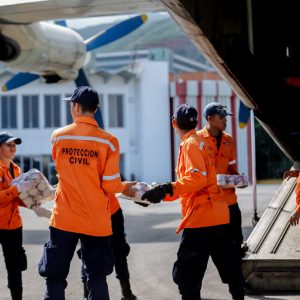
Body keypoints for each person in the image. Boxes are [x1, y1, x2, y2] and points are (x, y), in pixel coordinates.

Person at [38, 86, 135, 300]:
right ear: (96, 109)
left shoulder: (58, 137)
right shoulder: (109, 141)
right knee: (97, 276)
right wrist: (126, 187)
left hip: (65, 218)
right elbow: (110, 185)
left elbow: (63, 169)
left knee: (54, 276)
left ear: (76, 107)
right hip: (96, 220)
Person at [141, 104, 245, 300]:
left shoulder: (189, 144)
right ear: (196, 122)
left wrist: (166, 188)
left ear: (174, 123)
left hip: (201, 219)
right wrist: (158, 195)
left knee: (186, 279)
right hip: (219, 216)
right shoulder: (199, 142)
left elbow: (196, 180)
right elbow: (188, 185)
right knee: (232, 271)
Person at [197, 102, 244, 256]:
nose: (225, 120)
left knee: (237, 242)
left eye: (226, 117)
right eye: (222, 117)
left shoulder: (228, 140)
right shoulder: (197, 140)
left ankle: (238, 278)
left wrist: (239, 180)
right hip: (210, 203)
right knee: (220, 248)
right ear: (210, 119)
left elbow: (231, 167)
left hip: (230, 201)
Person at [79, 193, 137, 300]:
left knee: (89, 252)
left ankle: (126, 292)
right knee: (118, 250)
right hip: (100, 212)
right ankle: (126, 292)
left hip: (97, 212)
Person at [0, 132, 37, 300]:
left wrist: (34, 205)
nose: (13, 147)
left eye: (15, 144)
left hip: (14, 225)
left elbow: (18, 198)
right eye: (9, 144)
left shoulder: (16, 169)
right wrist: (18, 189)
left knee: (15, 268)